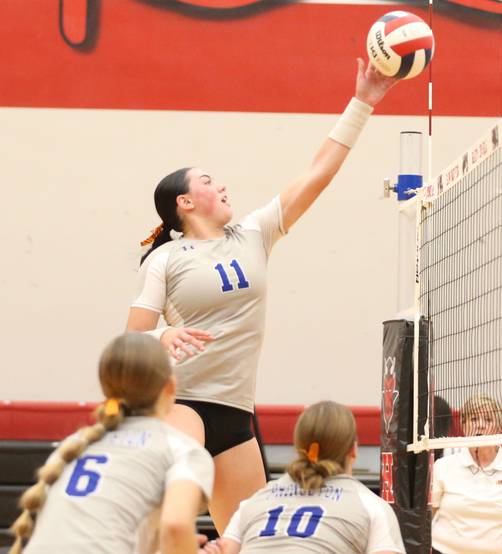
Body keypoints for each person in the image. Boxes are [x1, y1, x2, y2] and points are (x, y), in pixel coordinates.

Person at [125, 59, 398, 533]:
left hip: (235, 412)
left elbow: (317, 174)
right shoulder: (165, 260)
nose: (222, 183)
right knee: (168, 525)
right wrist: (164, 335)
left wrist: (364, 102)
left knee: (250, 535)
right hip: (179, 399)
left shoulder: (252, 234)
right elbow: (130, 343)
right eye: (208, 181)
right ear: (184, 204)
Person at [9, 333, 214, 554]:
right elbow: (176, 526)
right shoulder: (180, 448)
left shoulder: (75, 443)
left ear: (107, 390)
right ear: (171, 386)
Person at [201, 401, 405, 554]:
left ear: (299, 448)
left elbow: (222, 550)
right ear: (353, 450)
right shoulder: (370, 505)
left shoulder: (256, 500)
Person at [431, 395, 502, 554]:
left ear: (499, 428)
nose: (480, 425)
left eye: (488, 420)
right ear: (463, 426)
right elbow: (425, 520)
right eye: (473, 419)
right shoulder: (443, 466)